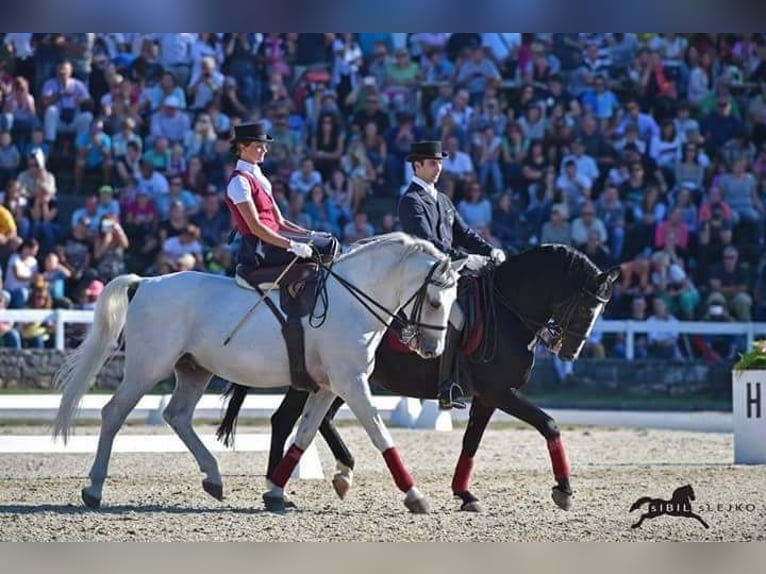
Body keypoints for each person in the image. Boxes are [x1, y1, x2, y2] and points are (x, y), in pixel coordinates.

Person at [223, 122, 339, 393]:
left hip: (276, 241)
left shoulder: (259, 177)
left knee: (329, 245)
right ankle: (296, 354)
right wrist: (292, 245)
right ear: (242, 147)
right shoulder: (239, 182)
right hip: (260, 251)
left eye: (265, 145)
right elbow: (255, 227)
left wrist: (309, 235)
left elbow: (279, 220)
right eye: (258, 145)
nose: (264, 149)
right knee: (308, 270)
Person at [398, 140, 506, 410]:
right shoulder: (411, 200)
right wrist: (464, 258)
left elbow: (464, 233)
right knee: (456, 316)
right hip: (426, 274)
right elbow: (426, 241)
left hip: (449, 271)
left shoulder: (443, 199)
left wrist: (490, 251)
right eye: (433, 163)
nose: (438, 168)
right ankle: (447, 385)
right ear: (417, 165)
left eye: (440, 163)